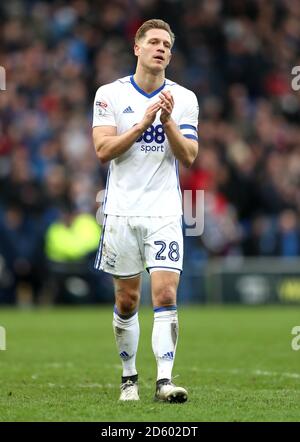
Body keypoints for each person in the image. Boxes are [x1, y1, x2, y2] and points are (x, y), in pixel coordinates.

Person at [92, 19, 199, 402]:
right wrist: (141, 125)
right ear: (137, 48)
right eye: (153, 42)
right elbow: (103, 151)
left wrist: (167, 119)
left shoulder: (184, 98)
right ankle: (128, 378)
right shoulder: (110, 93)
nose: (161, 49)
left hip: (165, 211)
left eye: (167, 45)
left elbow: (188, 156)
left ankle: (165, 382)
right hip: (121, 211)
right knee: (128, 300)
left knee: (166, 293)